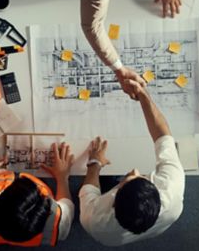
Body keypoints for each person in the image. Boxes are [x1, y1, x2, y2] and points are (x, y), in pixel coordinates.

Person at [79, 79, 185, 246]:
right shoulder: (171, 188)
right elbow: (162, 134)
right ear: (157, 192)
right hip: (153, 225)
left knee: (103, 181)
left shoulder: (93, 221)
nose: (135, 170)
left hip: (110, 238)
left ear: (113, 201)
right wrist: (143, 95)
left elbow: (88, 192)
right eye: (140, 177)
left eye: (126, 181)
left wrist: (95, 163)